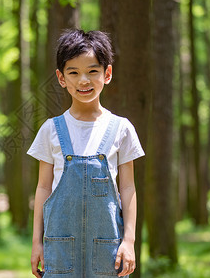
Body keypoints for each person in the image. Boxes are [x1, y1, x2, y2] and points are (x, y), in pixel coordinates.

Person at [27, 29, 145, 278]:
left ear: (107, 74)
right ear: (61, 78)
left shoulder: (121, 129)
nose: (84, 80)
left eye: (92, 71)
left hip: (108, 249)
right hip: (59, 249)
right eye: (73, 72)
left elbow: (128, 189)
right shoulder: (50, 130)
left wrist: (130, 241)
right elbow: (43, 189)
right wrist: (37, 242)